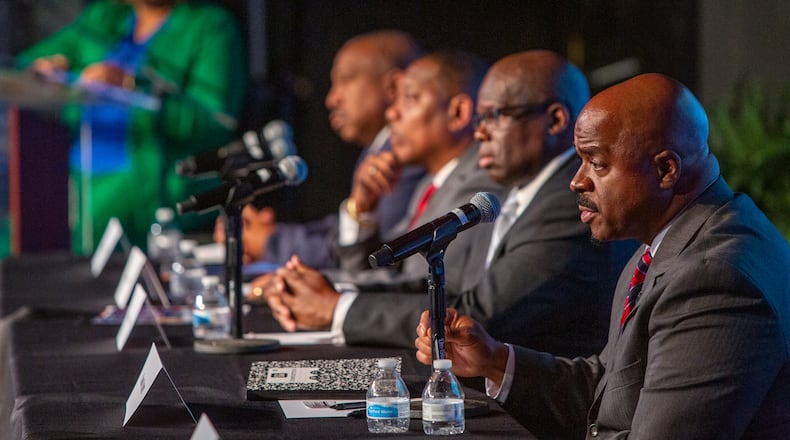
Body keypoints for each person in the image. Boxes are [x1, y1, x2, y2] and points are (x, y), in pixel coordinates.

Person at [415, 73, 790, 439]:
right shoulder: (671, 239)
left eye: (596, 162)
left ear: (665, 169)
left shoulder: (714, 278)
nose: (577, 181)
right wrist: (495, 362)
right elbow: (612, 389)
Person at [254, 50, 505, 341]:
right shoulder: (430, 183)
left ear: (458, 113)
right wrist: (364, 211)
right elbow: (386, 265)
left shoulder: (479, 189)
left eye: (410, 98)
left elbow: (428, 289)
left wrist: (325, 294)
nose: (391, 113)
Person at [17, 0, 247, 254]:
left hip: (147, 183)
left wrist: (132, 85)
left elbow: (216, 122)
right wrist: (54, 66)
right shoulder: (105, 16)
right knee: (15, 237)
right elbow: (23, 66)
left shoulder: (209, 25)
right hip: (71, 173)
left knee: (63, 247)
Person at [232, 30, 425, 267]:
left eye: (346, 79)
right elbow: (340, 229)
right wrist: (272, 232)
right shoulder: (378, 147)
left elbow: (375, 254)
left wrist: (269, 242)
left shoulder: (403, 156)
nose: (331, 99)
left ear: (393, 86)